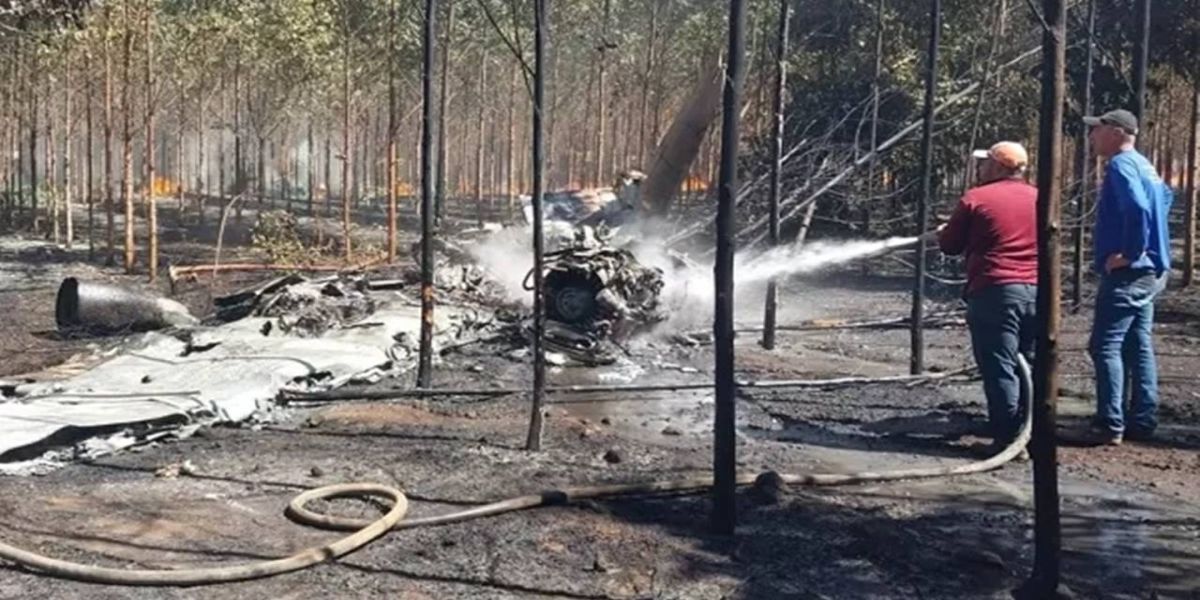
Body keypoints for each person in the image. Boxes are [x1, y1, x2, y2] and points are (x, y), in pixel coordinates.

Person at [937, 141, 1038, 453]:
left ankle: (1007, 439)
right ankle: (1028, 429)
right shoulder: (1040, 196)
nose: (979, 168)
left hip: (995, 291)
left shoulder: (977, 198)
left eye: (984, 163)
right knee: (1028, 362)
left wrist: (945, 231)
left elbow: (950, 246)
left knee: (999, 365)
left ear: (997, 167)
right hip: (1038, 292)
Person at [1083, 108, 1173, 445]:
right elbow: (1165, 197)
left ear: (1116, 132)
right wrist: (1153, 242)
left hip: (1131, 272)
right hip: (1153, 271)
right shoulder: (1144, 165)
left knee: (1104, 345)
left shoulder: (1121, 165)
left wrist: (1131, 252)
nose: (1092, 137)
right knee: (1138, 344)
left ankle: (1109, 423)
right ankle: (1143, 419)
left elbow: (1137, 207)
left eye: (1097, 130)